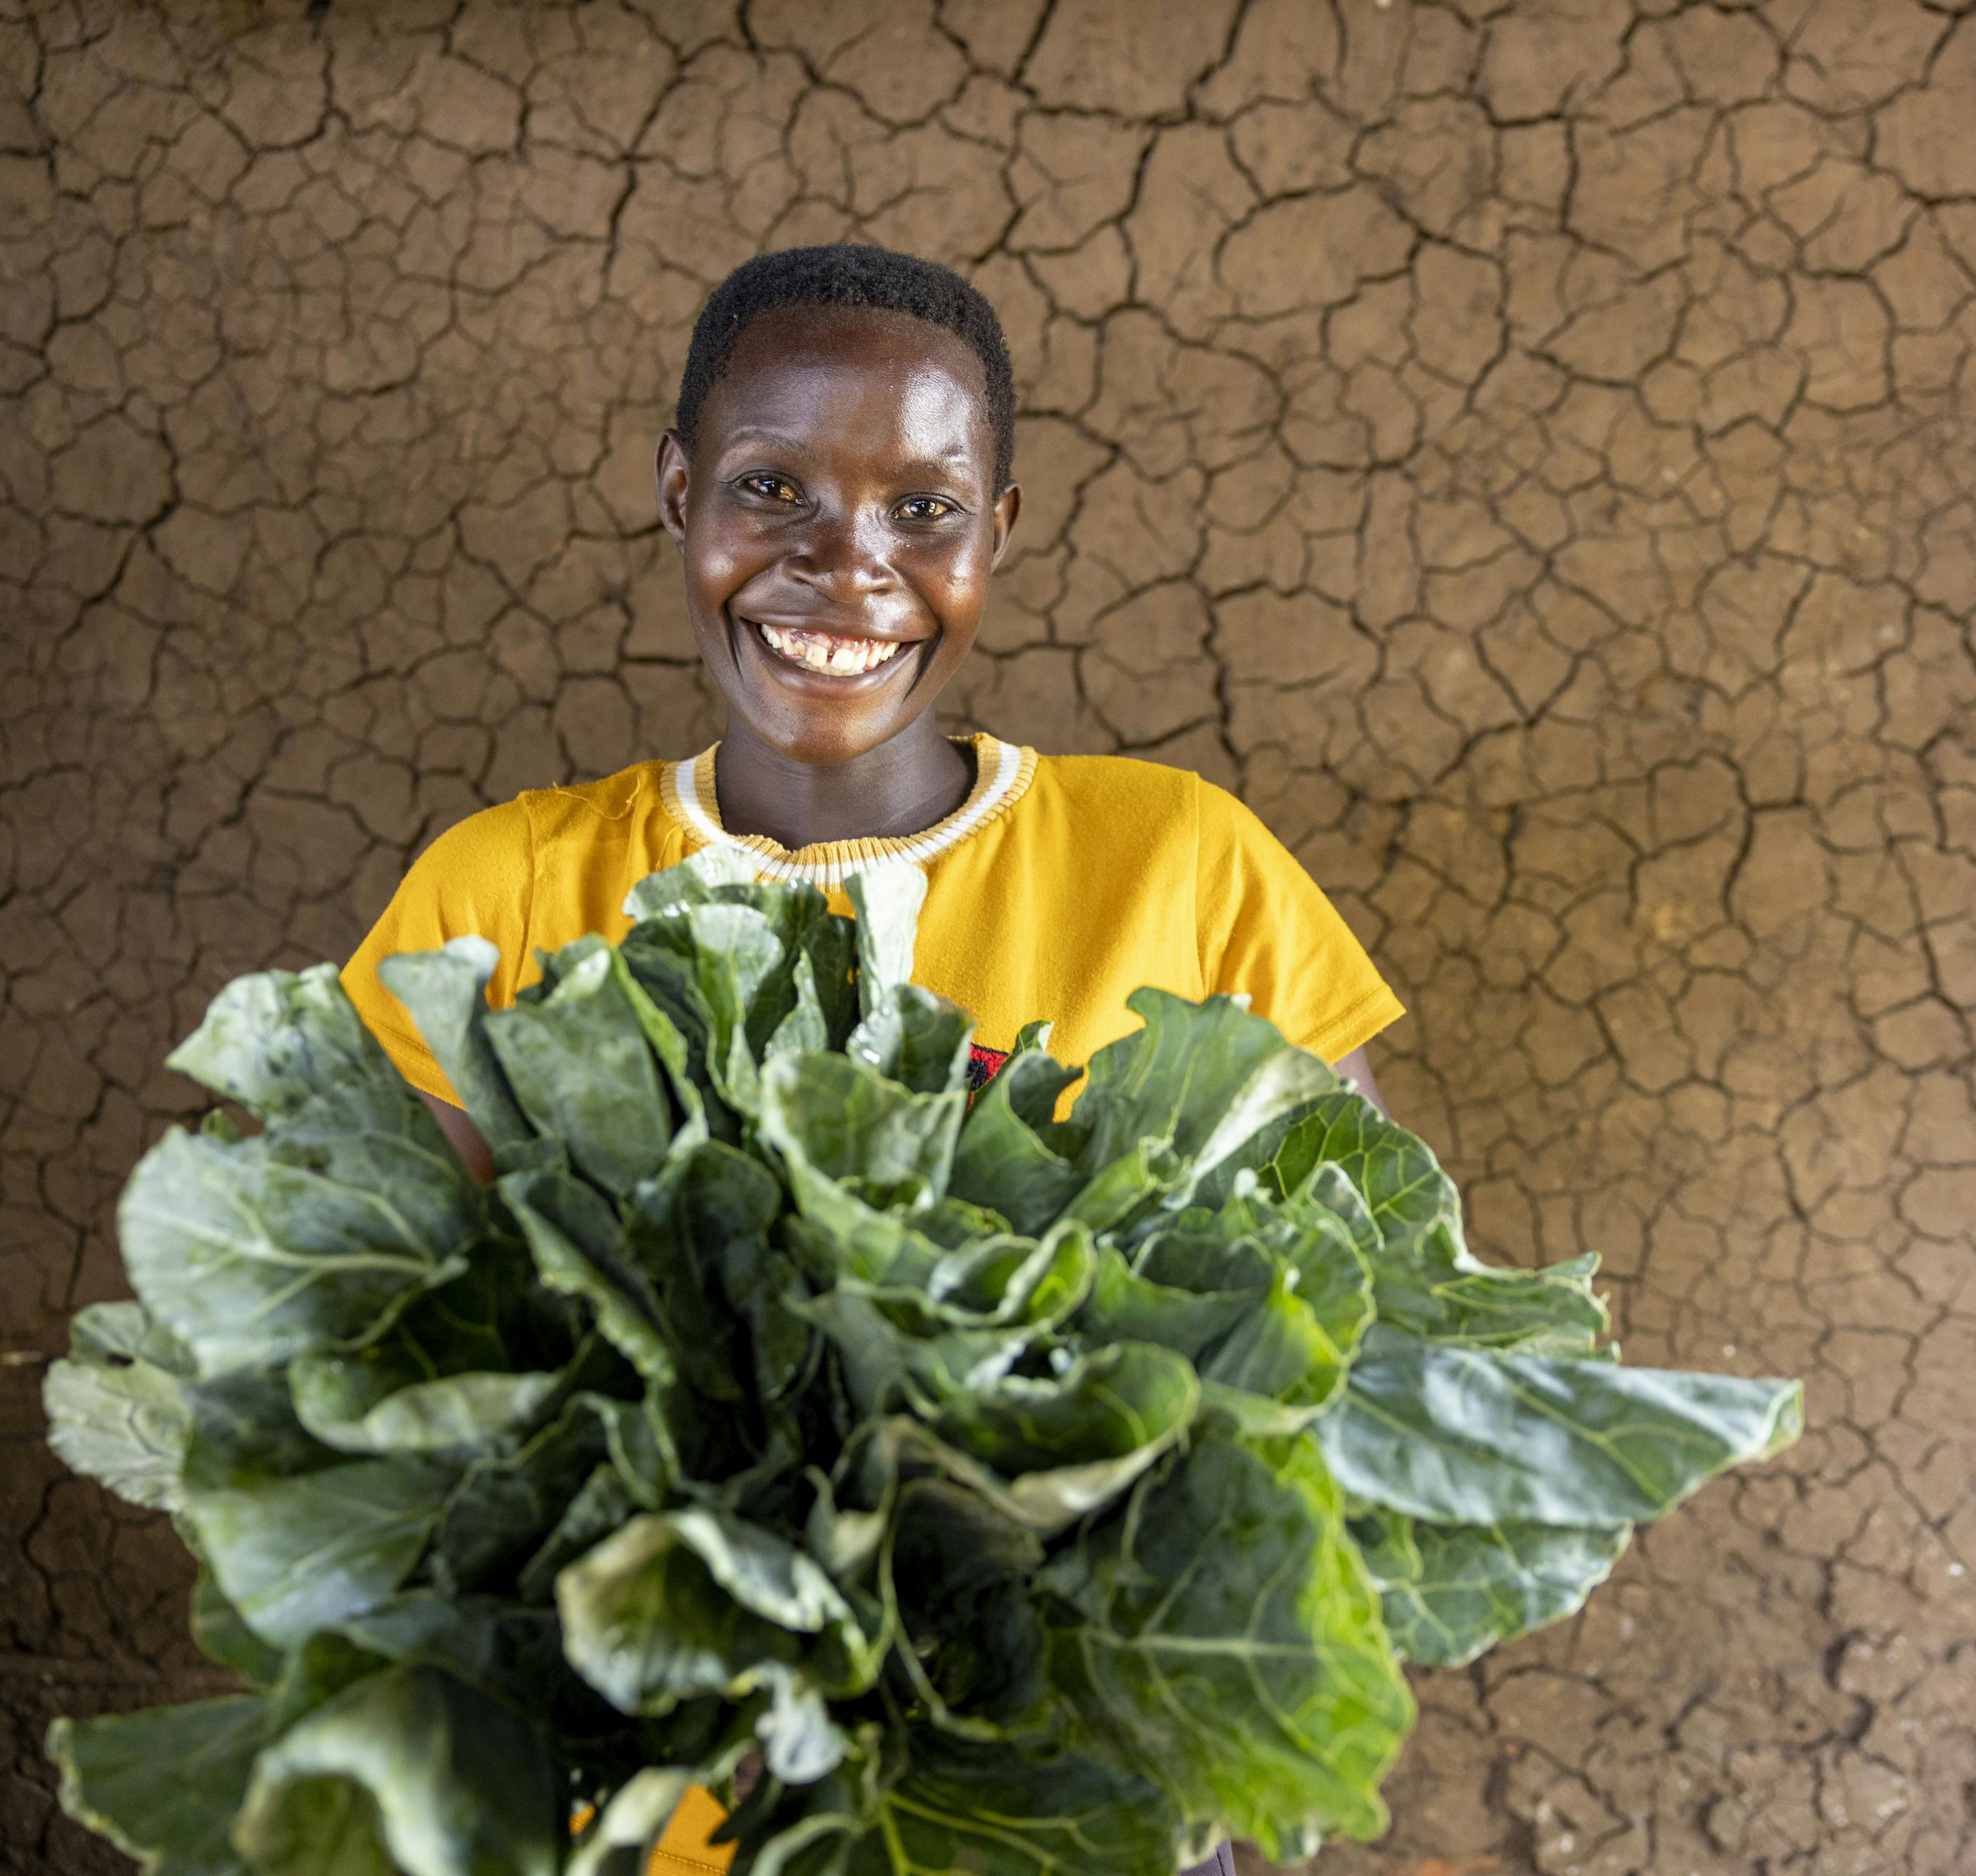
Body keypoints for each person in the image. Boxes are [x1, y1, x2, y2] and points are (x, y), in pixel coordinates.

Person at [337, 243, 1402, 1876]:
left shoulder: (1185, 865)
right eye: (773, 488)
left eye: (925, 507)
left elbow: (1367, 1323)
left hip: (1055, 1797)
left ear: (1003, 533)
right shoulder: (499, 898)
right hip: (624, 1817)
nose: (847, 569)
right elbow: (363, 1374)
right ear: (677, 492)